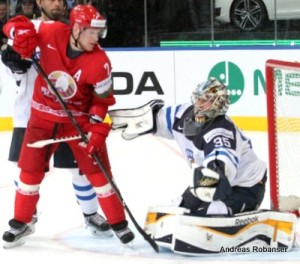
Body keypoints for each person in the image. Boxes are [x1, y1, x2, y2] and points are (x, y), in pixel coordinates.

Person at [2, 4, 135, 248]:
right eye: (90, 32)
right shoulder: (51, 33)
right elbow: (14, 24)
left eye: (99, 33)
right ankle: (21, 222)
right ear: (75, 28)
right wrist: (17, 36)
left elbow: (102, 101)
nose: (95, 39)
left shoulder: (101, 62)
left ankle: (118, 223)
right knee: (29, 174)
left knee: (98, 174)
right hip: (41, 119)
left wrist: (95, 128)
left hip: (77, 121)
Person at [109, 77, 267, 216]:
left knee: (210, 212)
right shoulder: (182, 113)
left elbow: (220, 171)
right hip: (218, 183)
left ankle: (242, 208)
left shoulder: (221, 131)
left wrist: (202, 188)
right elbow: (156, 120)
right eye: (198, 98)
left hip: (247, 186)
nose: (198, 103)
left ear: (218, 104)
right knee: (179, 209)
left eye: (205, 100)